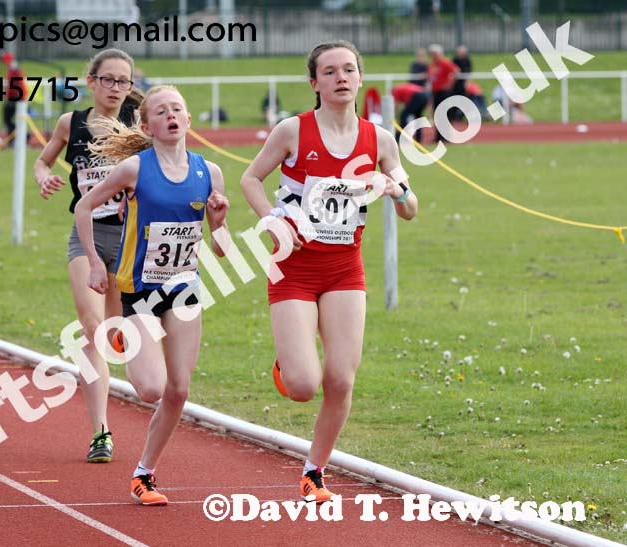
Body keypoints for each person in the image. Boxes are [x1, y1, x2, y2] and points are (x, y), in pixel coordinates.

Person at [240, 40, 418, 503]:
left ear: (360, 78)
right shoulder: (292, 131)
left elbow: (411, 209)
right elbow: (250, 179)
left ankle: (314, 471)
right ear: (314, 82)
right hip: (293, 268)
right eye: (330, 71)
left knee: (340, 378)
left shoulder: (378, 139)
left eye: (349, 70)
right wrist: (272, 220)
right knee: (303, 386)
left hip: (344, 270)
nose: (341, 78)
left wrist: (394, 187)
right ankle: (290, 362)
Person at [75, 85, 229, 505]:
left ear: (189, 119)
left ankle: (144, 472)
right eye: (161, 112)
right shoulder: (134, 170)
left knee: (179, 390)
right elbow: (84, 207)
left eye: (178, 109)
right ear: (148, 126)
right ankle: (124, 334)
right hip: (139, 292)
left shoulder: (209, 173)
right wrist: (92, 261)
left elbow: (222, 248)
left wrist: (220, 222)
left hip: (184, 289)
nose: (171, 116)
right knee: (150, 390)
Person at [33, 49, 143, 464]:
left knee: (115, 335)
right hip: (87, 236)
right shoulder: (71, 123)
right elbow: (42, 161)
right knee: (92, 325)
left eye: (124, 82)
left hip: (131, 238)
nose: (116, 88)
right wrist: (45, 178)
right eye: (109, 79)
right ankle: (101, 431)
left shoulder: (140, 123)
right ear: (91, 81)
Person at [427, 44, 459, 142]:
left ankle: (446, 137)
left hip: (444, 92)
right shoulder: (432, 65)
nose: (433, 56)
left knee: (444, 114)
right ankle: (438, 137)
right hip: (435, 92)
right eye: (432, 54)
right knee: (437, 114)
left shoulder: (444, 63)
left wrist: (449, 84)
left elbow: (456, 71)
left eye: (435, 54)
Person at [3, 60, 27, 140]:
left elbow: (18, 86)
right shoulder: (11, 72)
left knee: (15, 119)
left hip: (17, 99)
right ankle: (14, 137)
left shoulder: (16, 72)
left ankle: (23, 137)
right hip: (14, 99)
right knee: (9, 119)